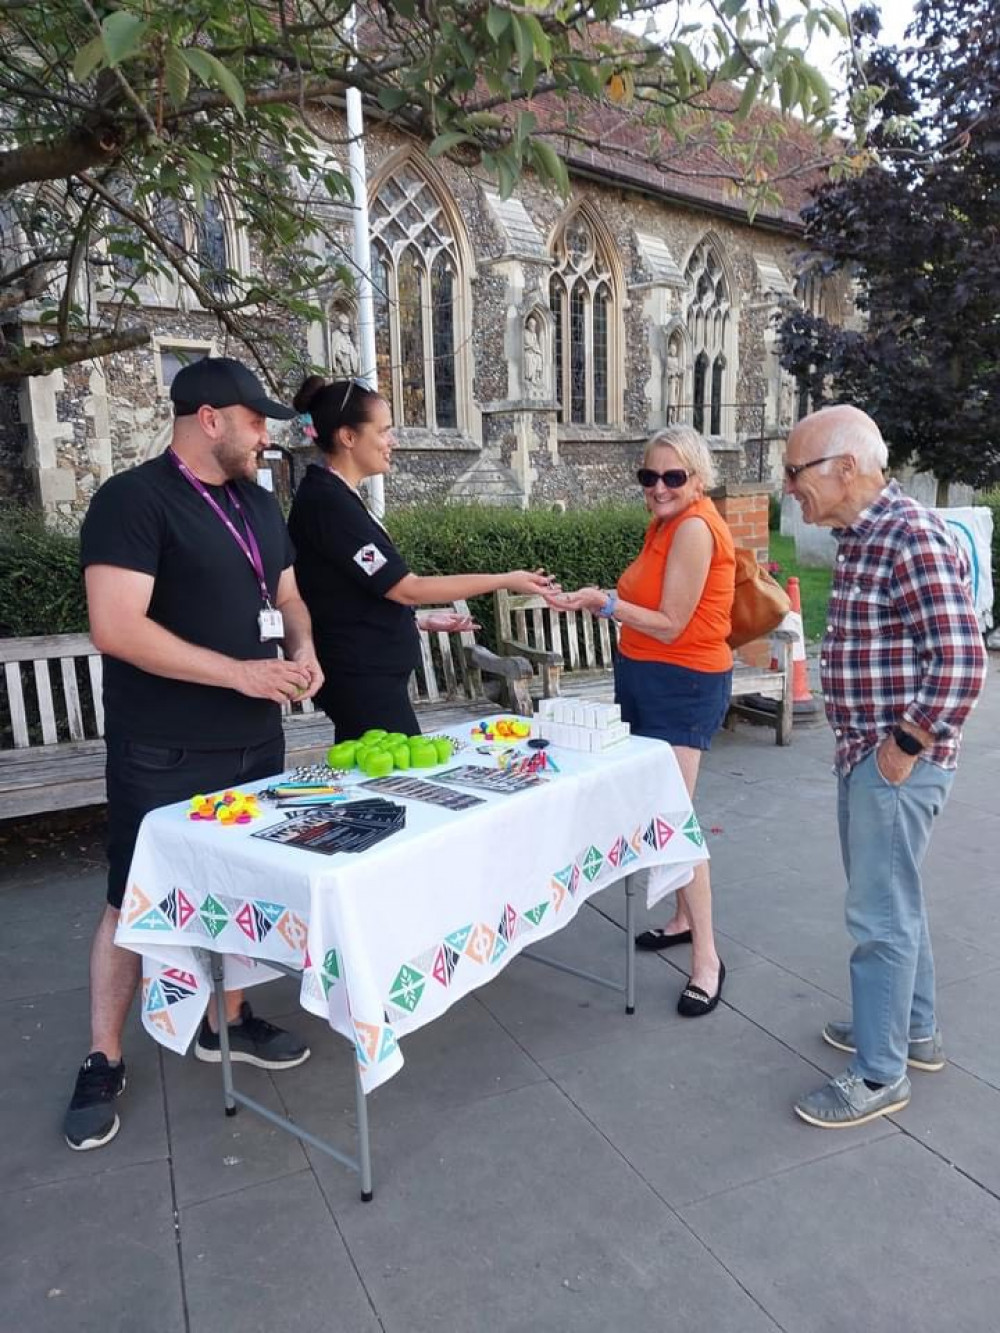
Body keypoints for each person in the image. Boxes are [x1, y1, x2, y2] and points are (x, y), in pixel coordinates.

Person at [64, 357, 324, 1152]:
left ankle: (228, 1019)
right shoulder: (132, 501)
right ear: (208, 418)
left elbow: (285, 593)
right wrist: (240, 672)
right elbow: (117, 626)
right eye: (255, 420)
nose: (266, 434)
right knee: (129, 899)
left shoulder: (257, 500)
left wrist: (304, 645)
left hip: (255, 740)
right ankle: (103, 1057)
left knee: (241, 882)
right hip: (164, 748)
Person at [785, 405, 986, 1129]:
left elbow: (963, 660)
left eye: (794, 471)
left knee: (878, 914)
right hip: (871, 754)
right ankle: (914, 1032)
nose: (789, 490)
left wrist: (903, 747)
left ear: (845, 467)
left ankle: (879, 1071)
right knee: (896, 899)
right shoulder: (863, 535)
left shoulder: (907, 535)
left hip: (892, 761)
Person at [544, 424, 732, 1016]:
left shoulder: (696, 528)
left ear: (698, 479)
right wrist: (612, 607)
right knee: (661, 807)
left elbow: (673, 621)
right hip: (645, 677)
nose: (658, 487)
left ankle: (707, 959)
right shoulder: (665, 526)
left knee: (674, 816)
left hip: (684, 682)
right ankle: (680, 917)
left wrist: (603, 602)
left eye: (672, 477)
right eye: (648, 476)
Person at [287, 376, 555, 739]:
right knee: (392, 780)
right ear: (348, 437)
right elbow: (407, 588)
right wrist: (505, 579)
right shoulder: (328, 504)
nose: (392, 442)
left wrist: (418, 620)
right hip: (363, 681)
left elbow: (350, 592)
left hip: (370, 678)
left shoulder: (336, 496)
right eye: (383, 432)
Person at [329, 311, 360, 378]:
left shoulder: (347, 336)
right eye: (344, 324)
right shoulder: (336, 334)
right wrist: (342, 361)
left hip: (349, 361)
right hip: (342, 361)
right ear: (340, 324)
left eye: (347, 325)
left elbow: (351, 348)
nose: (346, 327)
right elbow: (335, 350)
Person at [523, 315, 544, 396]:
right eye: (532, 325)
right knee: (530, 358)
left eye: (534, 326)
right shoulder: (525, 332)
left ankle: (536, 377)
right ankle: (530, 378)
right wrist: (533, 348)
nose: (533, 327)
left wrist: (538, 351)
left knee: (539, 358)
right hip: (528, 352)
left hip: (534, 351)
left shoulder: (534, 334)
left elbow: (536, 344)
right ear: (528, 325)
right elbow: (528, 344)